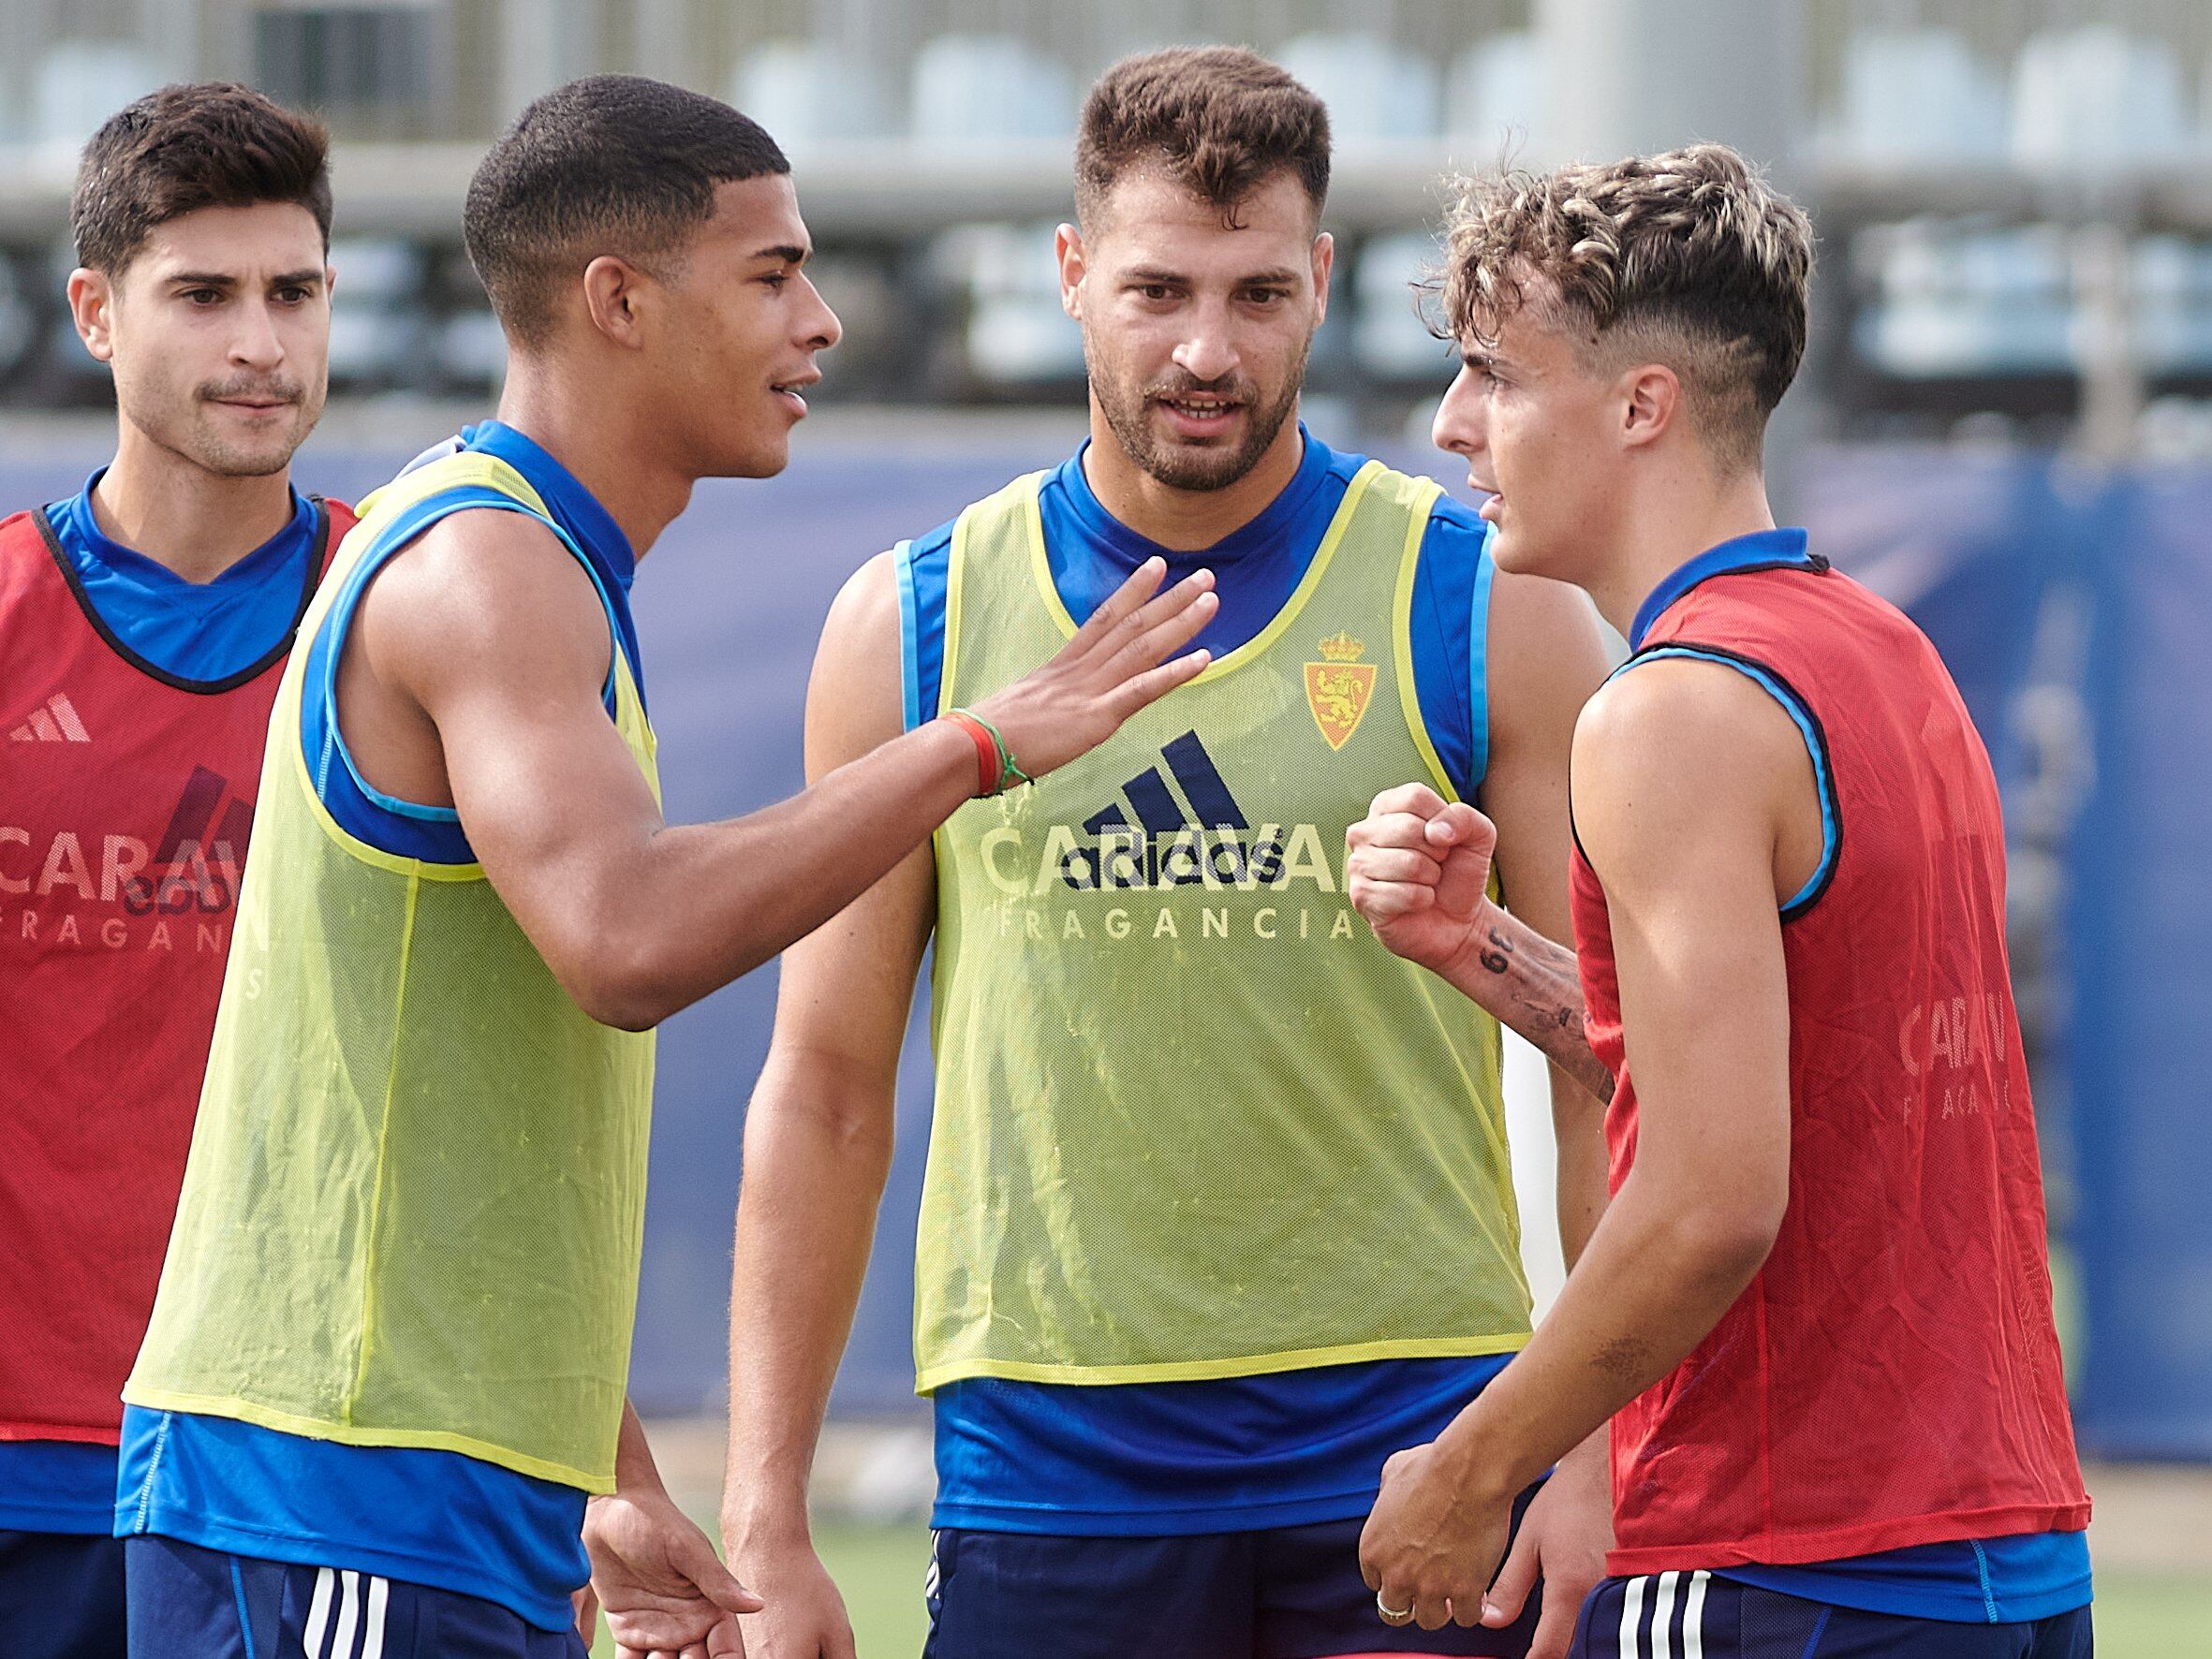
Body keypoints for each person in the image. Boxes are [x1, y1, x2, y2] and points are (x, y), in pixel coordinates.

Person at [115, 75, 1215, 1659]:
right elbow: (621, 941)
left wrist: (609, 1471)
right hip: (337, 1500)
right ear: (618, 302)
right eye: (772, 273)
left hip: (431, 1497)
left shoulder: (540, 566)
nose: (823, 322)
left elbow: (459, 1138)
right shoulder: (485, 567)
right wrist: (970, 745)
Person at [721, 48, 1614, 1659]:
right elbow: (826, 1085)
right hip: (1051, 1458)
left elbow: (1597, 1058)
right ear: (1069, 276)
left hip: (1412, 1433)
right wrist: (764, 1513)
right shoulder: (911, 626)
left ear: (1324, 283)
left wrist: (1597, 1444)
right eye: (1155, 291)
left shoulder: (1488, 602)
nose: (1207, 350)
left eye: (1259, 294)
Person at [1347, 144, 2092, 1658]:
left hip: (1787, 1559)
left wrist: (1470, 1471)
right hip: (1999, 1561)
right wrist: (1481, 949)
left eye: (1494, 373)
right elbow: (1796, 1077)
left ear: (1638, 406)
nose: (1452, 424)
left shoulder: (1668, 711)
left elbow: (1706, 1204)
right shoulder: (1878, 648)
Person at [0, 83, 352, 1659]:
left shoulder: (415, 615)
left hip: (300, 1461)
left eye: (295, 292)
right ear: (94, 313)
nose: (260, 345)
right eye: (204, 296)